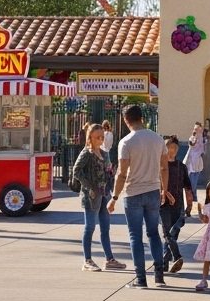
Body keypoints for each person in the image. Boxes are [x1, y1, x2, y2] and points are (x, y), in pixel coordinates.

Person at [107, 104, 169, 289]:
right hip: (153, 191)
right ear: (142, 117)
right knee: (153, 233)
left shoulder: (126, 142)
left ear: (126, 120)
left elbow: (122, 173)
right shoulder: (158, 139)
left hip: (133, 192)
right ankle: (159, 276)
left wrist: (114, 197)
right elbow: (164, 168)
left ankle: (140, 279)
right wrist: (164, 189)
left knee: (135, 235)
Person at [74, 123, 123, 272]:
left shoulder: (104, 153)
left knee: (105, 227)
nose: (100, 139)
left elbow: (108, 172)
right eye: (97, 137)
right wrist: (89, 186)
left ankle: (109, 259)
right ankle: (87, 260)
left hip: (104, 194)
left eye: (102, 136)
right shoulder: (86, 153)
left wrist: (111, 178)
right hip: (91, 195)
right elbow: (76, 170)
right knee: (89, 227)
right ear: (90, 137)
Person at [161, 135, 196, 274]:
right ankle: (177, 256)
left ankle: (164, 262)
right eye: (169, 147)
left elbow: (188, 187)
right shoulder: (160, 165)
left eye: (175, 147)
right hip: (163, 205)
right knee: (167, 233)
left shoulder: (181, 167)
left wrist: (189, 205)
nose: (172, 150)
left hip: (178, 205)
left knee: (173, 234)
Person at [184, 122, 207, 196]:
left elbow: (204, 150)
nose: (195, 131)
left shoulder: (203, 140)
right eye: (194, 129)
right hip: (191, 163)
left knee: (195, 181)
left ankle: (194, 196)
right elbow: (191, 143)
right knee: (191, 182)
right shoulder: (192, 138)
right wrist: (195, 138)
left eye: (197, 129)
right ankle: (192, 195)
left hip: (198, 163)